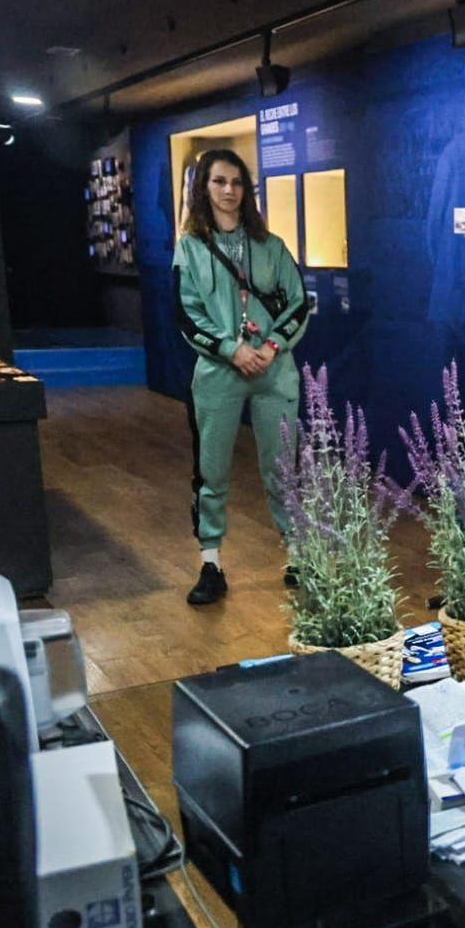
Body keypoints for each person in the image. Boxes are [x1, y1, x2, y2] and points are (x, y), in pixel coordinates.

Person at [173, 149, 309, 605]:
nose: (229, 191)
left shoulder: (271, 245)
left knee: (283, 467)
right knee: (211, 470)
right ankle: (210, 562)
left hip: (274, 370)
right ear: (204, 188)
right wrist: (232, 350)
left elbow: (298, 301)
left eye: (237, 182)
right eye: (219, 182)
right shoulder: (190, 248)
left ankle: (296, 556)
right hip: (218, 372)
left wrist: (270, 347)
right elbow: (186, 314)